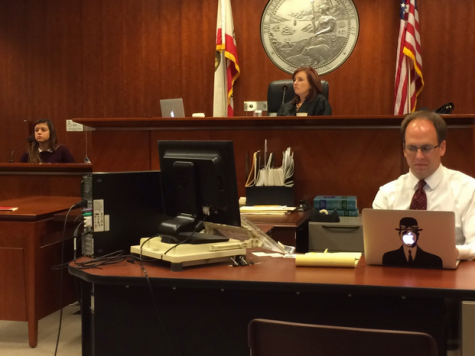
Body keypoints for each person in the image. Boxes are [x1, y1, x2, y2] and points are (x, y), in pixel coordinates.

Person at [373, 111, 475, 260]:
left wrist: (452, 252)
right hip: (396, 277)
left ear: (442, 148)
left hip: (451, 277)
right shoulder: (387, 194)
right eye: (412, 148)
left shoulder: (469, 189)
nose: (419, 156)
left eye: (426, 148)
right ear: (404, 150)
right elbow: (377, 246)